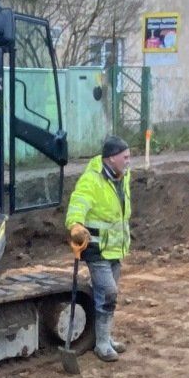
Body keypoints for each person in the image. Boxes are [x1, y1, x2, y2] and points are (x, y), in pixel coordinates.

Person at [67, 135, 133, 362]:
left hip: (115, 248)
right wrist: (76, 225)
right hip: (96, 248)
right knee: (108, 293)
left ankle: (104, 337)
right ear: (111, 158)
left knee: (107, 296)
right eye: (125, 157)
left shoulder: (123, 176)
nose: (128, 161)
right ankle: (102, 344)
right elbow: (78, 203)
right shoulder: (91, 180)